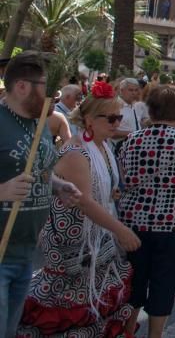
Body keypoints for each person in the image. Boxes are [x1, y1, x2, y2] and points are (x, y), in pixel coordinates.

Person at [17, 79, 139, 337]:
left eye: (119, 117)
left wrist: (112, 191)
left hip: (93, 240)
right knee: (67, 312)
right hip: (72, 243)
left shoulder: (102, 146)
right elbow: (84, 201)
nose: (117, 123)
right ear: (90, 120)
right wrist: (121, 230)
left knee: (91, 309)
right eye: (112, 119)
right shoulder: (76, 152)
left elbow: (98, 188)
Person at [0, 52, 82, 336]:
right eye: (47, 88)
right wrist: (2, 191)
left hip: (24, 255)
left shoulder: (40, 125)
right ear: (22, 86)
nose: (54, 96)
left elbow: (39, 170)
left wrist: (57, 185)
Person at [120, 84, 175, 338]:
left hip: (133, 222)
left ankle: (127, 331)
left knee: (133, 281)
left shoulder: (132, 140)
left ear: (150, 109)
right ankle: (155, 335)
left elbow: (123, 178)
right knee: (165, 282)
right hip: (174, 224)